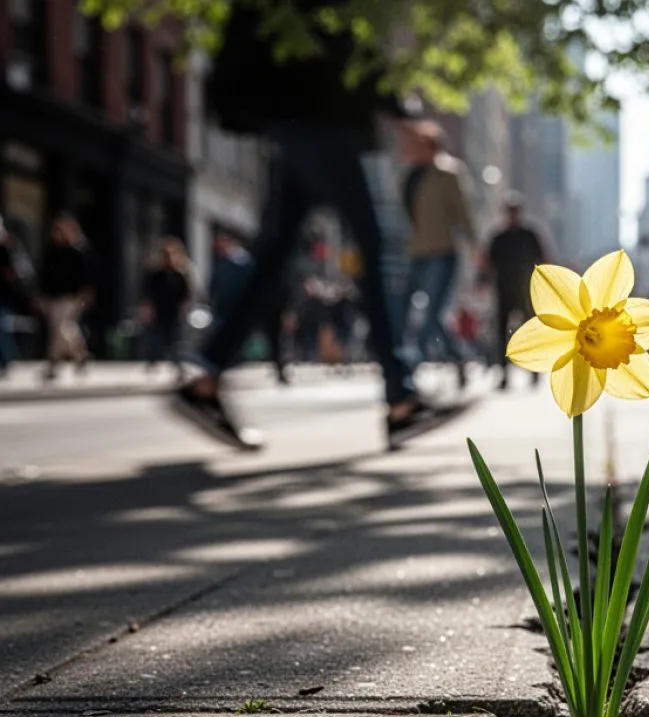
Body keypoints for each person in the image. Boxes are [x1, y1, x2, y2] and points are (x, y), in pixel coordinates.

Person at [170, 0, 422, 451]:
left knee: (275, 254)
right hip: (316, 115)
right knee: (373, 242)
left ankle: (205, 375)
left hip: (295, 113)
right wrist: (399, 110)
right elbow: (342, 36)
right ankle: (401, 396)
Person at [394, 120, 477, 389]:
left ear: (430, 145)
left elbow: (462, 213)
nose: (410, 148)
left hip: (442, 252)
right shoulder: (410, 175)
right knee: (411, 311)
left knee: (432, 313)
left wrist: (475, 246)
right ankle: (459, 356)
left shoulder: (449, 172)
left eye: (417, 143)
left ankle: (410, 371)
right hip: (414, 252)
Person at [481, 194, 547, 389]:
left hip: (526, 292)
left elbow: (542, 260)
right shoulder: (498, 237)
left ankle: (534, 371)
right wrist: (481, 282)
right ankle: (503, 374)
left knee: (531, 332)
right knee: (501, 335)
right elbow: (487, 263)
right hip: (503, 291)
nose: (512, 215)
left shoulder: (529, 235)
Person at [37, 214, 94, 382]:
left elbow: (87, 275)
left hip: (72, 296)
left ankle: (53, 363)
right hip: (54, 296)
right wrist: (41, 295)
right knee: (63, 328)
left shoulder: (78, 251)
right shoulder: (51, 251)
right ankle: (80, 354)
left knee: (60, 327)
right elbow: (44, 275)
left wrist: (86, 293)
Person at [140, 237, 196, 381]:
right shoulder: (155, 274)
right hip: (159, 310)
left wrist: (184, 309)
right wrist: (147, 308)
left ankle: (178, 366)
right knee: (156, 338)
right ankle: (152, 363)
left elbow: (187, 294)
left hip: (174, 311)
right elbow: (148, 293)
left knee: (176, 340)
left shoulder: (180, 274)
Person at [0, 215, 34, 376]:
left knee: (2, 327)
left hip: (5, 294)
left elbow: (21, 271)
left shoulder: (10, 247)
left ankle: (7, 360)